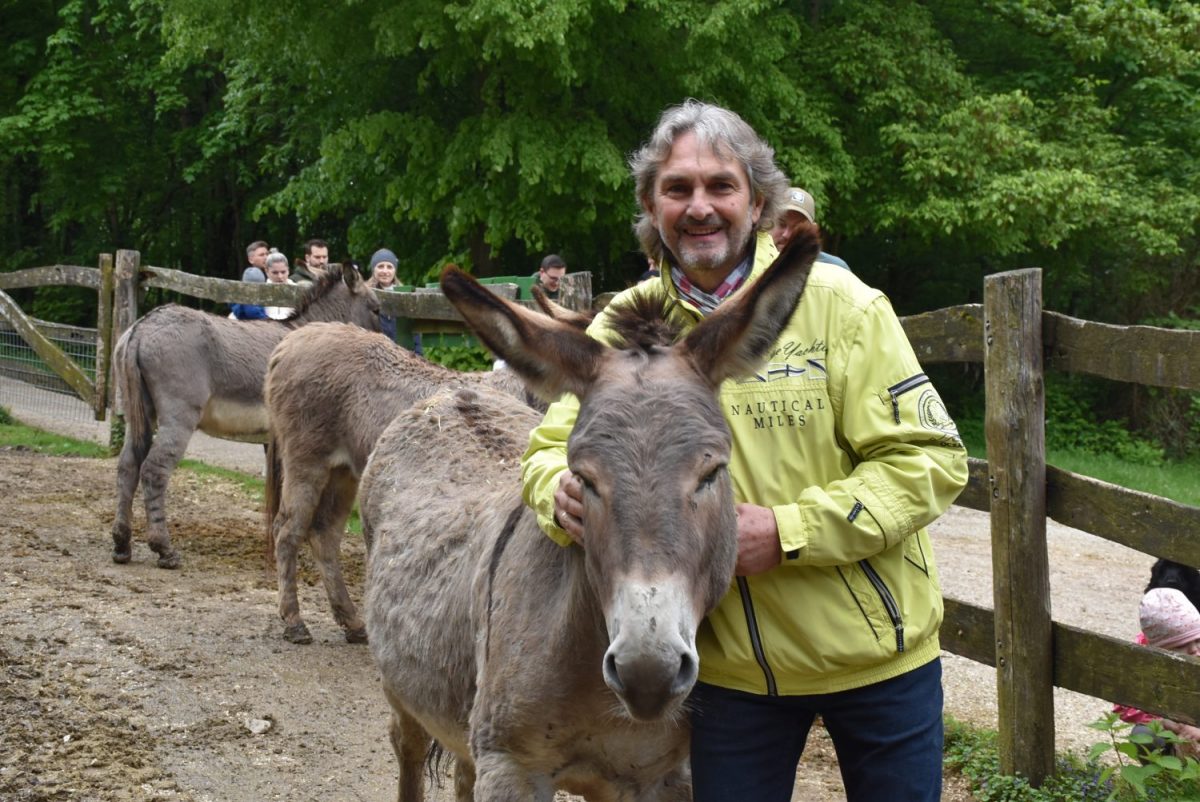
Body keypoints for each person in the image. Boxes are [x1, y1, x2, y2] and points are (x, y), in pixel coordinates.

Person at [520, 99, 968, 802]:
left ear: (757, 201)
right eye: (678, 189)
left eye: (720, 186)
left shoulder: (841, 306)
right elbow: (548, 448)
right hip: (728, 675)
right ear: (651, 208)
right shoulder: (619, 328)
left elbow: (931, 461)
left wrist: (790, 533)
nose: (700, 207)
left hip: (879, 663)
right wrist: (557, 491)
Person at [1113, 587, 1200, 760]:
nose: (1194, 650)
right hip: (1176, 726)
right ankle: (1167, 779)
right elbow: (1124, 706)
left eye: (1198, 640)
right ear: (1158, 650)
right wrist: (1169, 722)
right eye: (1180, 645)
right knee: (1144, 733)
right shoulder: (1145, 661)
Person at [771, 187, 850, 270]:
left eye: (797, 227)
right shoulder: (757, 262)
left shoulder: (836, 268)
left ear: (813, 230)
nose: (786, 235)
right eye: (781, 224)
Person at [263, 249, 295, 320]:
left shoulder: (296, 289)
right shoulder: (260, 291)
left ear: (288, 270)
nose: (280, 276)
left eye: (283, 272)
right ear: (266, 271)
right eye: (275, 273)